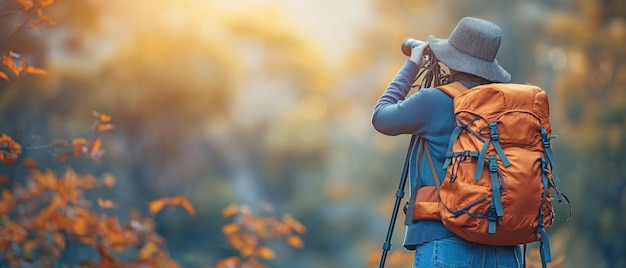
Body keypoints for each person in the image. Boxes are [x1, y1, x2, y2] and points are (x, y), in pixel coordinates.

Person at [372, 17, 522, 267]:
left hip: (445, 239)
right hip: (504, 246)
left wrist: (412, 64)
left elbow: (381, 117)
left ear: (450, 59)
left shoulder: (434, 101)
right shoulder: (508, 108)